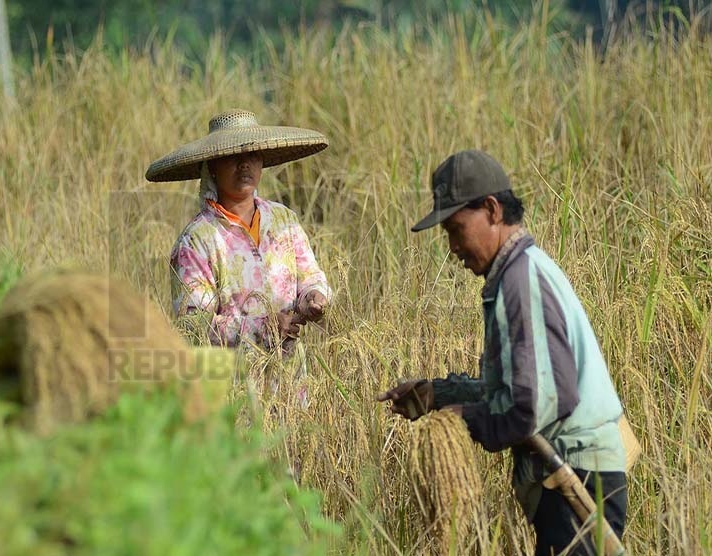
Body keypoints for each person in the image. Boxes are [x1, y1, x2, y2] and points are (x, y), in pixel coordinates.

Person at [376, 150, 628, 556]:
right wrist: (437, 396)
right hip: (570, 475)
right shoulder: (519, 273)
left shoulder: (520, 281)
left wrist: (463, 420)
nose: (453, 248)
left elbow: (533, 406)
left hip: (577, 479)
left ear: (492, 210)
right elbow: (519, 390)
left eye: (456, 230)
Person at [145, 108, 331, 360]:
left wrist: (313, 297)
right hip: (232, 388)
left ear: (262, 160)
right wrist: (263, 328)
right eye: (233, 156)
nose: (244, 163)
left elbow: (310, 277)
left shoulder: (283, 220)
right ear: (212, 166)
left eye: (253, 153)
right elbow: (194, 328)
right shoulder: (196, 241)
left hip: (291, 385)